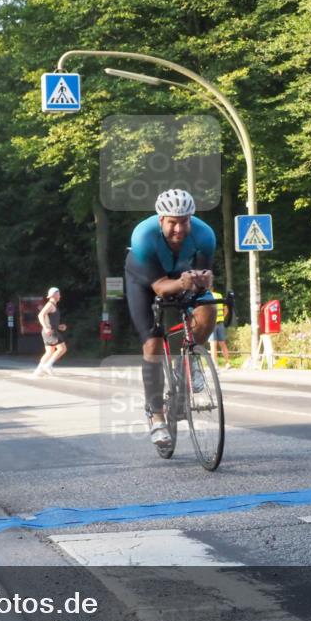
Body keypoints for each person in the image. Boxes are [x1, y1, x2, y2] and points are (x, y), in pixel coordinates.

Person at [125, 189, 216, 447]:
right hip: (145, 280)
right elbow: (161, 288)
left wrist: (203, 281)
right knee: (153, 344)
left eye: (184, 221)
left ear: (191, 219)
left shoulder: (205, 235)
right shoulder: (143, 236)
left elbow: (203, 280)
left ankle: (189, 360)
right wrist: (184, 281)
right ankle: (156, 417)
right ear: (161, 219)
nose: (178, 229)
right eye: (172, 222)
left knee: (209, 306)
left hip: (180, 275)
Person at [33, 287, 68, 377]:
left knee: (49, 351)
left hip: (49, 330)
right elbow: (40, 315)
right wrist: (46, 327)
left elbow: (50, 320)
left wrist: (59, 326)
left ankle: (38, 369)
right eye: (59, 293)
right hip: (50, 331)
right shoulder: (50, 305)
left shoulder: (53, 305)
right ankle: (48, 365)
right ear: (55, 294)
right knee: (62, 348)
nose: (60, 295)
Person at [207, 287, 232, 367]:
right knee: (223, 344)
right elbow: (226, 309)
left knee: (213, 344)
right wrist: (222, 317)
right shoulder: (219, 295)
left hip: (211, 323)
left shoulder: (207, 297)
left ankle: (215, 364)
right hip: (220, 323)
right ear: (213, 288)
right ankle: (228, 363)